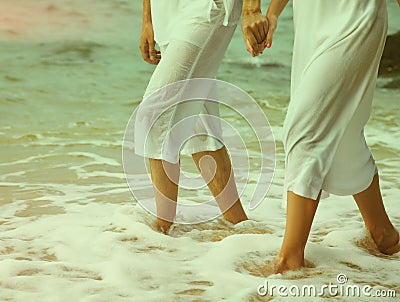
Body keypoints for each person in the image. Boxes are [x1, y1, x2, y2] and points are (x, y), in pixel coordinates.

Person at [241, 0, 400, 272]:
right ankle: (384, 235)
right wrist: (273, 14)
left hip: (356, 17)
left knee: (306, 128)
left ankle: (289, 260)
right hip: (311, 22)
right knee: (344, 137)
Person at [136, 0, 248, 234]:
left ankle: (163, 234)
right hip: (166, 11)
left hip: (207, 7)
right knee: (201, 131)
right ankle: (243, 230)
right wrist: (147, 19)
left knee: (154, 115)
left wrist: (251, 9)